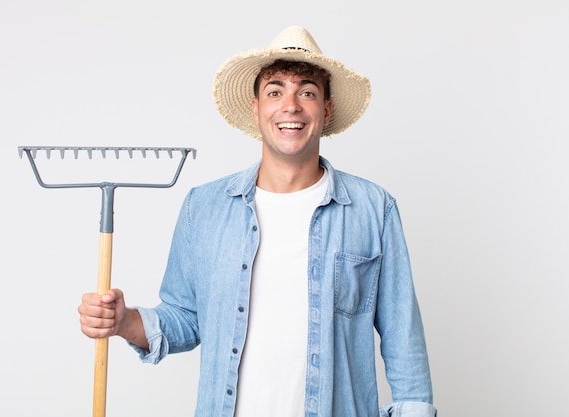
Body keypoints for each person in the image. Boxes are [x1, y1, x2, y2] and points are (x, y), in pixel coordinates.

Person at [78, 25, 437, 417]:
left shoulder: (373, 209)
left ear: (326, 109)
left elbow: (403, 342)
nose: (291, 106)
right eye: (275, 91)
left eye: (307, 91)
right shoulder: (206, 207)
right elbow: (184, 318)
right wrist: (124, 321)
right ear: (256, 108)